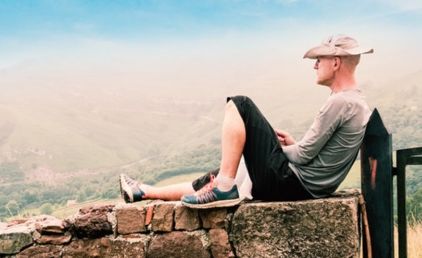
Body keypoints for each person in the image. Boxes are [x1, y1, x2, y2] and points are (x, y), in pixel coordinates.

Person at [120, 34, 373, 209]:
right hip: (301, 185)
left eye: (320, 60)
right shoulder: (354, 102)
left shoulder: (342, 102)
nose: (315, 66)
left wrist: (279, 149)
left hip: (292, 184)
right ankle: (144, 191)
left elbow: (304, 155)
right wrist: (288, 146)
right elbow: (314, 153)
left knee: (240, 104)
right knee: (220, 174)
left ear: (336, 62)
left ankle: (225, 187)